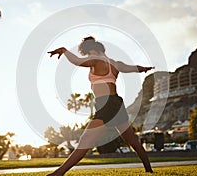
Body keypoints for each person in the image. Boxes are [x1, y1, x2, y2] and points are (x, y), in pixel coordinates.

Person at [47, 36, 154, 175]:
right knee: (132, 140)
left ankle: (58, 173)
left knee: (86, 140)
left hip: (106, 104)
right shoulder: (115, 63)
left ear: (91, 50)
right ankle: (149, 170)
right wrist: (144, 68)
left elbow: (77, 61)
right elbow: (132, 68)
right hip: (116, 103)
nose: (86, 57)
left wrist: (64, 51)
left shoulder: (96, 60)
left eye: (86, 53)